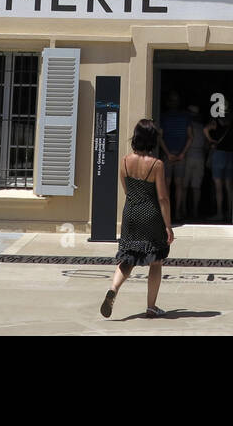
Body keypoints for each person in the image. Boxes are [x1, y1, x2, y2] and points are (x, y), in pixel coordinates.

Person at [100, 119, 173, 319]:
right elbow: (163, 198)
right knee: (156, 261)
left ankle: (113, 289)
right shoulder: (156, 164)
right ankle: (151, 306)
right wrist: (168, 226)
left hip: (130, 213)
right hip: (151, 215)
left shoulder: (124, 161)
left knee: (128, 257)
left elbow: (127, 190)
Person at [159, 91, 192, 216]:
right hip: (173, 154)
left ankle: (174, 212)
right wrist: (176, 153)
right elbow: (190, 136)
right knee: (174, 184)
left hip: (173, 154)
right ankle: (173, 212)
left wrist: (177, 153)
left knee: (174, 184)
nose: (174, 102)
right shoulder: (166, 116)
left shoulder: (182, 116)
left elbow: (190, 136)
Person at [205, 112, 233, 221]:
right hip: (231, 154)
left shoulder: (216, 121)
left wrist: (211, 141)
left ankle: (219, 212)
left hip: (219, 154)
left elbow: (205, 129)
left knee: (218, 187)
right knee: (229, 186)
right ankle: (230, 212)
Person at [183, 104, 209, 220]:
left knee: (184, 185)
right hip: (200, 156)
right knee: (196, 186)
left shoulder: (186, 126)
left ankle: (182, 209)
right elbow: (206, 145)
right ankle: (195, 211)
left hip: (187, 155)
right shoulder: (203, 127)